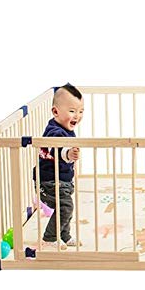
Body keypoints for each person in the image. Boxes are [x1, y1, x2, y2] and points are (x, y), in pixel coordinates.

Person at [33, 84, 84, 249]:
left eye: (81, 111)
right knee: (65, 207)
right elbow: (56, 149)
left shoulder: (65, 128)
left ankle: (64, 234)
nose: (77, 116)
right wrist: (68, 154)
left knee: (66, 207)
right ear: (56, 112)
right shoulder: (54, 132)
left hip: (61, 181)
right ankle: (50, 237)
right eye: (72, 111)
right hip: (49, 182)